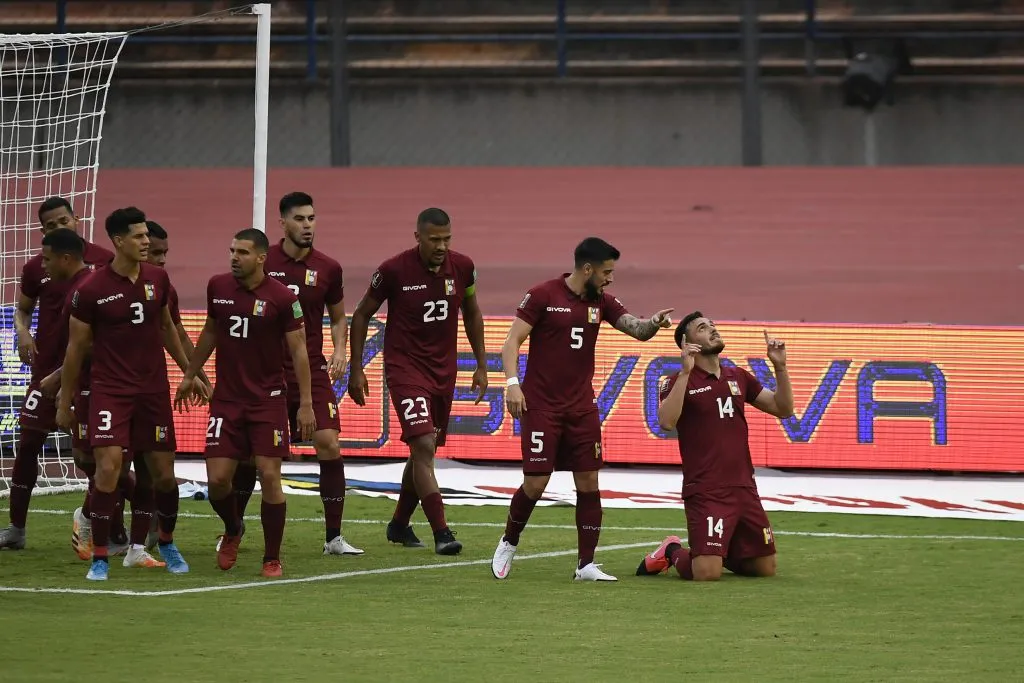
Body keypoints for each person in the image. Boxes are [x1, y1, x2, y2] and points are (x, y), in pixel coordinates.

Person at [490, 237, 673, 582]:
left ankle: (585, 564)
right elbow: (511, 341)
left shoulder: (601, 302)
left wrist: (654, 323)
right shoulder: (543, 294)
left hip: (581, 409)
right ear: (587, 269)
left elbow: (635, 329)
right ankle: (509, 542)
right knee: (536, 483)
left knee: (589, 480)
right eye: (606, 272)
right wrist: (512, 383)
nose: (610, 279)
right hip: (541, 406)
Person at [56, 207, 207, 581]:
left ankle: (165, 543)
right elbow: (76, 350)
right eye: (139, 237)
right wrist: (64, 400)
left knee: (163, 476)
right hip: (111, 392)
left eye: (146, 236)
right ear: (119, 241)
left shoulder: (158, 277)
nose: (146, 242)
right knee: (108, 469)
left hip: (152, 392)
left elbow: (168, 328)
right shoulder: (91, 290)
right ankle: (101, 558)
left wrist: (190, 373)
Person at [228, 192, 362, 556]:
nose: (307, 225)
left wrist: (339, 350)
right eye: (300, 219)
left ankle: (333, 537)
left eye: (312, 218)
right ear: (282, 223)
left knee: (329, 442)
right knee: (249, 457)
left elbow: (337, 317)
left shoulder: (329, 268)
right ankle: (234, 529)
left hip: (311, 369)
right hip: (265, 373)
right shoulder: (261, 259)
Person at [177, 228, 316, 578]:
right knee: (218, 481)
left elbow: (299, 350)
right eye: (231, 251)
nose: (234, 258)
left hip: (267, 401)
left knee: (270, 475)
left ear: (261, 257)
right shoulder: (218, 286)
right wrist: (190, 373)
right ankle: (234, 527)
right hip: (226, 400)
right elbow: (210, 330)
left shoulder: (282, 298)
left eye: (241, 252)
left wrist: (306, 403)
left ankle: (272, 557)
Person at [348, 208, 487, 555]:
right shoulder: (393, 270)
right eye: (434, 239)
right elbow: (362, 313)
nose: (441, 246)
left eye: (447, 239)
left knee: (422, 451)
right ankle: (442, 532)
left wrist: (482, 364)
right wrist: (356, 367)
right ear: (418, 237)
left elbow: (471, 311)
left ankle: (398, 525)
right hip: (405, 369)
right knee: (424, 444)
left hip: (444, 373)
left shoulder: (464, 268)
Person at [636, 312, 793, 581]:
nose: (712, 329)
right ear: (688, 342)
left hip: (744, 487)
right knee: (706, 574)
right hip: (707, 491)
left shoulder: (739, 376)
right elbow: (665, 421)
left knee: (765, 569)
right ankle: (672, 550)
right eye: (702, 327)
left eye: (712, 325)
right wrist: (686, 371)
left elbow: (783, 409)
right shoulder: (677, 381)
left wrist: (780, 367)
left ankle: (717, 551)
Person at [0, 197, 112, 551]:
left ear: (77, 219)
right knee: (28, 444)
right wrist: (22, 331)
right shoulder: (37, 267)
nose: (60, 227)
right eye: (50, 225)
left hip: (92, 375)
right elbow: (22, 309)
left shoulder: (104, 262)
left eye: (64, 220)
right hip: (45, 372)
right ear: (43, 231)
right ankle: (16, 528)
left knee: (95, 457)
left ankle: (107, 525)